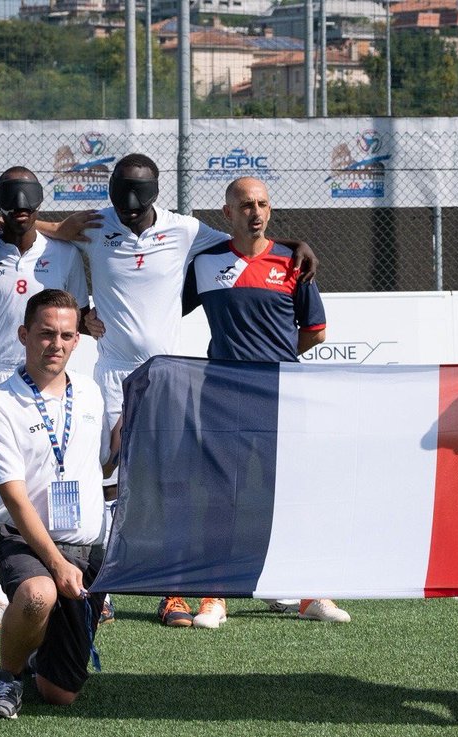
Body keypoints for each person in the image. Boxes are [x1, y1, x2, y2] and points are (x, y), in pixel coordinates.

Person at [75, 153, 318, 628]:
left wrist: (295, 243)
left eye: (139, 190)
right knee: (103, 479)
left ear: (155, 191)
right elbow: (41, 231)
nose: (130, 201)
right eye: (121, 189)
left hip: (169, 375)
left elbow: (248, 242)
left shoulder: (184, 230)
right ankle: (99, 588)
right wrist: (78, 315)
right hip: (111, 373)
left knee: (176, 485)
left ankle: (173, 592)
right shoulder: (90, 226)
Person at [180, 176, 350, 627]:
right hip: (220, 397)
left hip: (281, 396)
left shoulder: (294, 261)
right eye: (246, 205)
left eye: (263, 204)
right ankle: (214, 597)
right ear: (227, 214)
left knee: (294, 494)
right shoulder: (204, 264)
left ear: (270, 211)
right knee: (222, 496)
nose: (255, 211)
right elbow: (160, 309)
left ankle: (311, 593)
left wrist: (271, 363)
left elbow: (315, 331)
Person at [0, 166, 94, 631]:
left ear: (39, 205)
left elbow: (76, 314)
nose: (19, 212)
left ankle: (87, 578)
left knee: (58, 474)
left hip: (51, 377)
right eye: (10, 204)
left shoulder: (63, 253)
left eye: (28, 204)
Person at [0, 289, 111, 719]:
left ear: (77, 340)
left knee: (59, 693)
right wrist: (55, 564)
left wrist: (132, 433)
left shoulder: (90, 394)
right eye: (46, 333)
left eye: (66, 335)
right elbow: (12, 498)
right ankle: (5, 678)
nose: (56, 344)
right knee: (38, 594)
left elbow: (102, 463)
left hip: (87, 546)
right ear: (24, 334)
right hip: (23, 541)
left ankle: (36, 652)